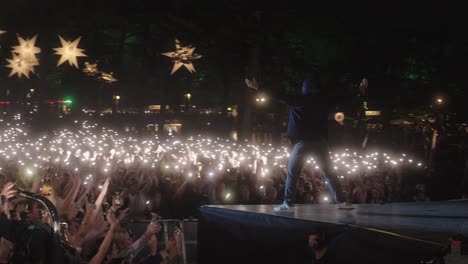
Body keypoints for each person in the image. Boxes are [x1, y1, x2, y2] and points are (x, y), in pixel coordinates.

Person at [245, 76, 350, 211]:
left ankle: (288, 202)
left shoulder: (298, 100)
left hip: (302, 143)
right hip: (320, 143)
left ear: (304, 89)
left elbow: (278, 95)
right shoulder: (323, 101)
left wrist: (259, 87)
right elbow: (341, 98)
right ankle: (341, 201)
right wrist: (359, 91)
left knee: (292, 173)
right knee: (329, 172)